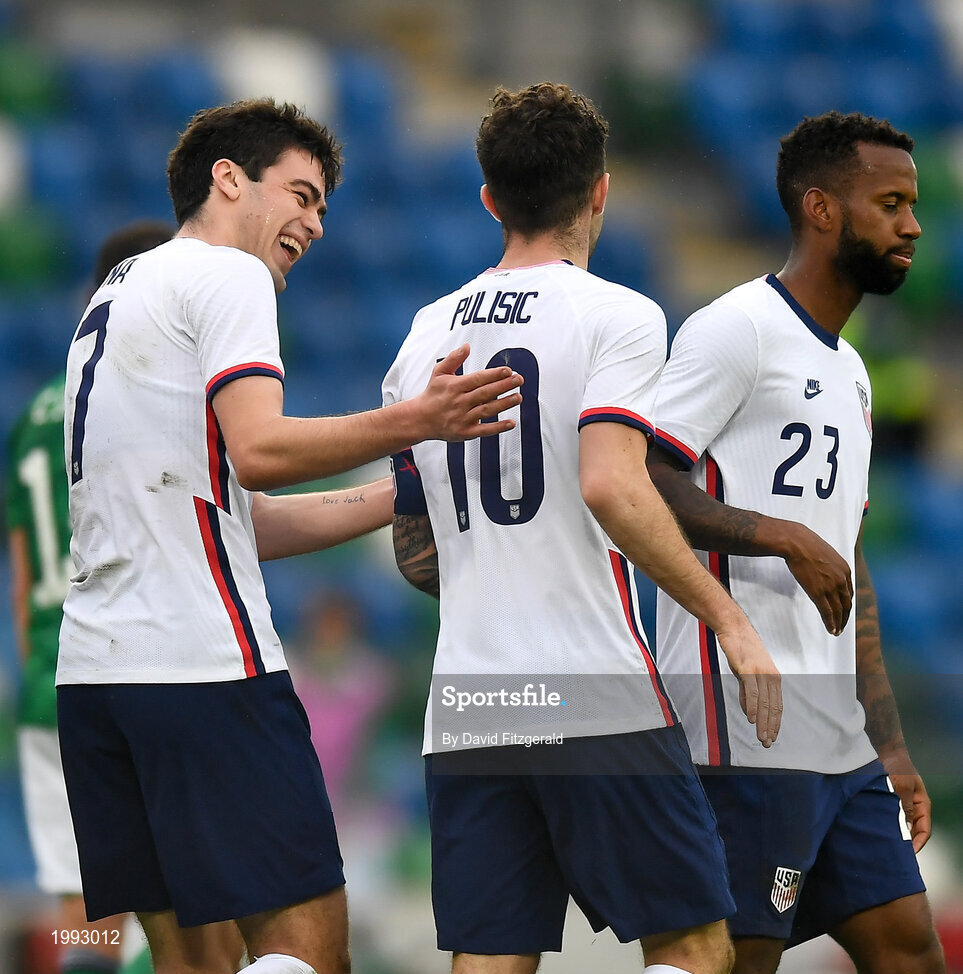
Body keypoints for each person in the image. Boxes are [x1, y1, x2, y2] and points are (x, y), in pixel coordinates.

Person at [55, 98, 523, 974]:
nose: (313, 223)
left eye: (322, 209)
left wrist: (399, 491)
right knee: (308, 949)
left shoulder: (113, 300)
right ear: (227, 180)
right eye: (301, 195)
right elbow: (262, 452)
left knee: (192, 963)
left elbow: (237, 520)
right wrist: (416, 421)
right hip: (203, 667)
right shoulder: (225, 277)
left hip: (97, 680)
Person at [383, 82, 782, 974]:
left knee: (490, 960)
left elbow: (415, 554)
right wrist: (728, 617)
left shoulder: (420, 335)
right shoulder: (617, 316)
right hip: (587, 686)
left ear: (488, 198)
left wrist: (499, 563)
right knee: (691, 945)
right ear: (600, 190)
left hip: (469, 703)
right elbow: (610, 484)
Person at [647, 111, 945, 974]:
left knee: (909, 951)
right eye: (889, 203)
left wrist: (885, 739)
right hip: (744, 726)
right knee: (739, 960)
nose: (911, 225)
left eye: (912, 204)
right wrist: (775, 535)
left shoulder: (851, 370)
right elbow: (641, 482)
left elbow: (846, 560)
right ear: (820, 209)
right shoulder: (733, 329)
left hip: (838, 741)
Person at [8, 221, 174, 974]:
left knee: (80, 913)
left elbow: (19, 573)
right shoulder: (124, 394)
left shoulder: (36, 411)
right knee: (163, 904)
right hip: (116, 670)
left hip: (43, 680)